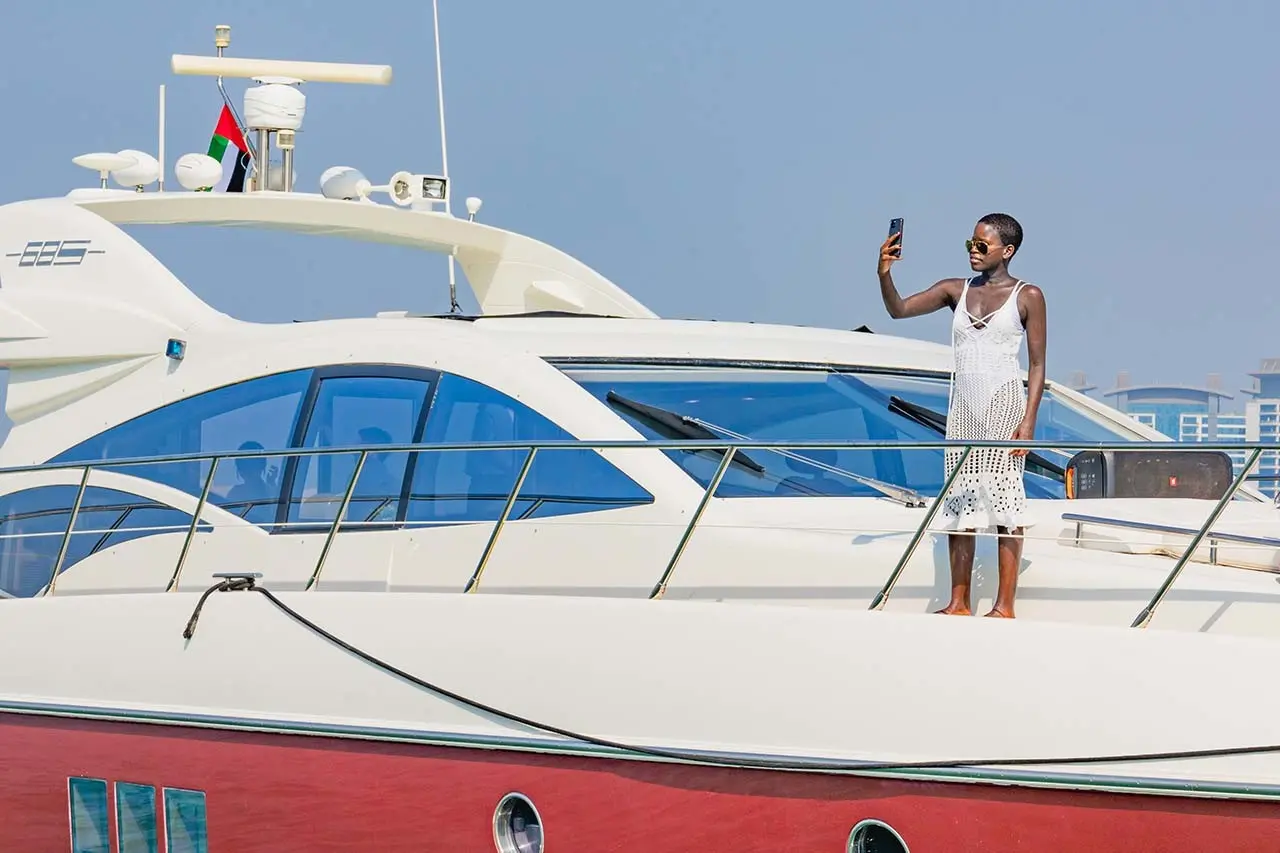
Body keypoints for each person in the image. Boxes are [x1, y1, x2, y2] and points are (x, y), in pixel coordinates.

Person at [876, 213, 1046, 618]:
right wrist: (884, 272)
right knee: (960, 501)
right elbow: (898, 310)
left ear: (1007, 251)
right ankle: (959, 602)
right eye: (970, 243)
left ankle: (1004, 606)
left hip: (1004, 408)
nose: (973, 250)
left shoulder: (1028, 296)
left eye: (982, 245)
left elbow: (1037, 365)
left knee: (1005, 501)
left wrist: (1028, 423)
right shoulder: (955, 289)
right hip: (963, 411)